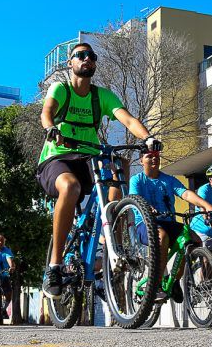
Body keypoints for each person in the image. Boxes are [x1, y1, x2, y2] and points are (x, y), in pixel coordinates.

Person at [38, 42, 161, 298]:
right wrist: (51, 129)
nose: (87, 59)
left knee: (121, 165)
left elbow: (127, 119)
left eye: (91, 56)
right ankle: (55, 266)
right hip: (57, 157)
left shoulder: (101, 96)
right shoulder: (62, 89)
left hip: (88, 157)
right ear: (70, 63)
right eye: (80, 55)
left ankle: (107, 241)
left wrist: (148, 138)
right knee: (70, 186)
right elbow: (47, 112)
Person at [130, 149, 212, 302]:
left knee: (194, 240)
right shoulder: (137, 180)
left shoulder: (168, 180)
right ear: (141, 161)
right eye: (149, 157)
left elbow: (186, 194)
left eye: (156, 156)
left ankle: (174, 282)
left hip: (169, 222)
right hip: (146, 223)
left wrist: (208, 206)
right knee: (162, 237)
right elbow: (135, 197)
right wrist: (147, 207)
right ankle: (157, 284)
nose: (154, 159)